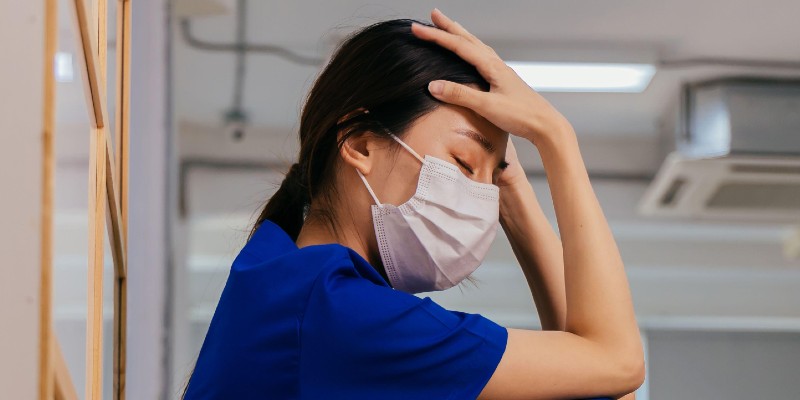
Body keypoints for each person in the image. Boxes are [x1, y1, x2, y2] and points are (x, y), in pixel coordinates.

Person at [183, 8, 644, 400]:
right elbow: (618, 364)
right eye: (464, 163)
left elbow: (599, 383)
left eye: (493, 178)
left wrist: (513, 193)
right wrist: (556, 137)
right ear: (361, 144)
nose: (482, 199)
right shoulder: (343, 315)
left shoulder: (288, 281)